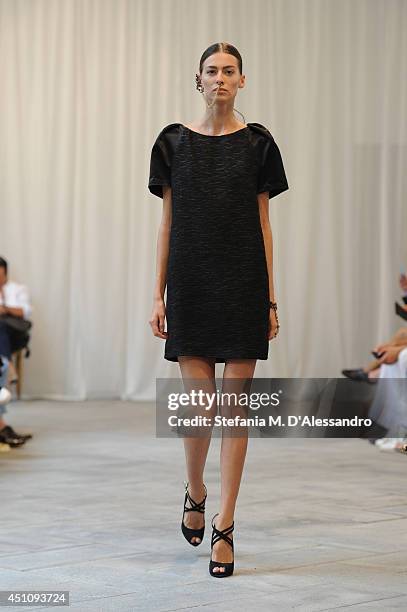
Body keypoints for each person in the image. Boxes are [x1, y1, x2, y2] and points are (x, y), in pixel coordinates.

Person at [148, 42, 289, 577]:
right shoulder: (172, 143)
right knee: (197, 410)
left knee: (234, 411)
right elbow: (166, 224)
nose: (221, 78)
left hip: (244, 284)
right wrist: (156, 293)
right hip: (191, 284)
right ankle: (196, 488)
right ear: (198, 80)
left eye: (230, 71)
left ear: (242, 81)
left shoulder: (259, 144)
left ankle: (225, 526)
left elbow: (264, 226)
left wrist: (271, 298)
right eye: (212, 71)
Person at [0, 256, 33, 446]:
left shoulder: (17, 289)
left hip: (16, 334)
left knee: (1, 327)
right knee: (2, 368)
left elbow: (25, 312)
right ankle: (2, 427)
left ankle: (5, 364)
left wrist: (5, 309)